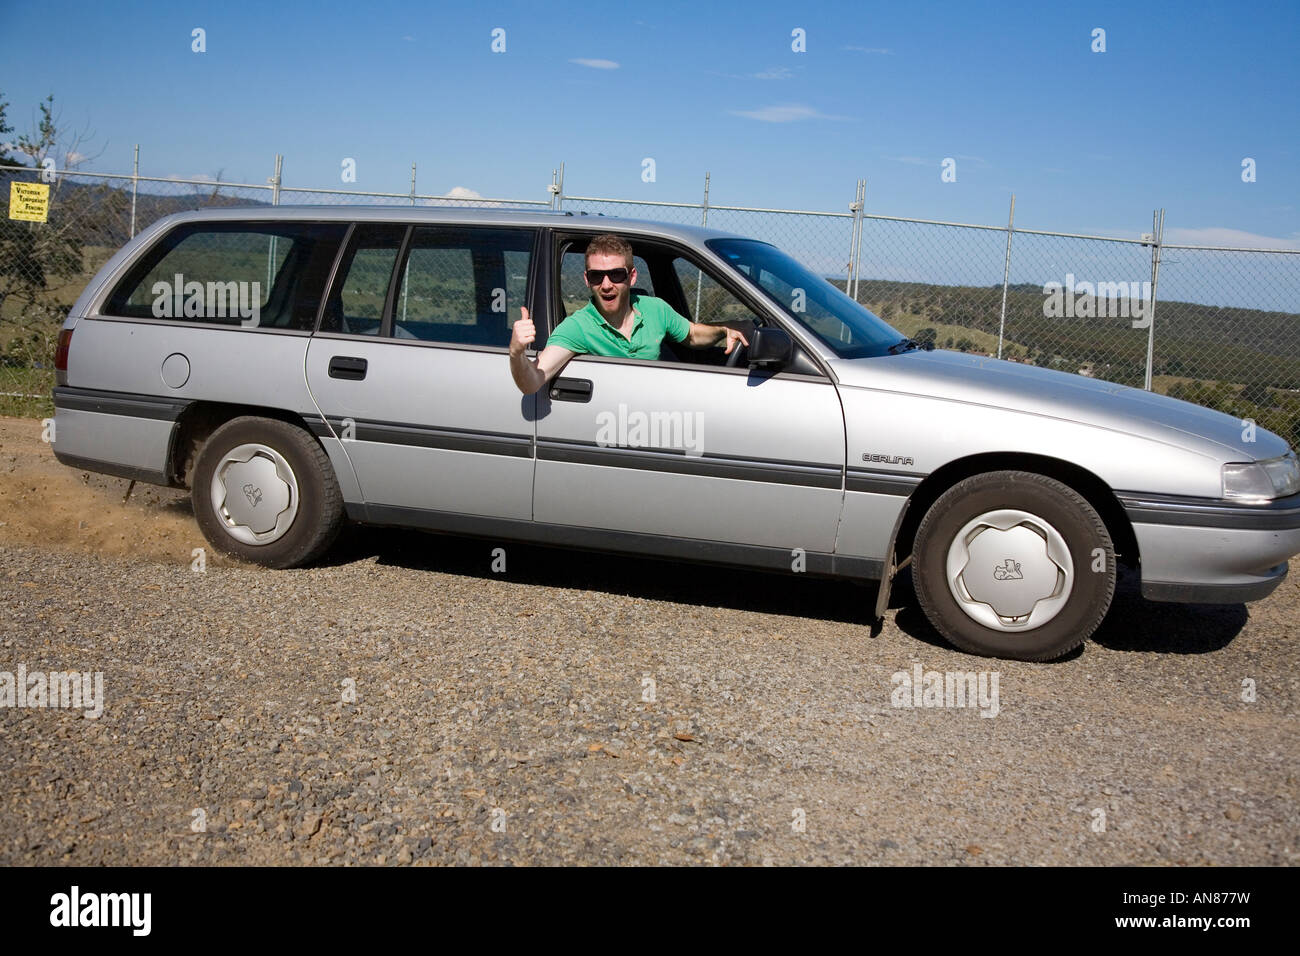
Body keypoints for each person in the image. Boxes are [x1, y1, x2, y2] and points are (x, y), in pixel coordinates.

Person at [509, 234, 750, 394]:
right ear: (586, 280)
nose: (606, 285)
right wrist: (516, 353)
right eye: (596, 276)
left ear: (631, 276)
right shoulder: (578, 327)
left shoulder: (655, 309)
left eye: (616, 275)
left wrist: (723, 330)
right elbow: (532, 382)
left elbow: (694, 335)